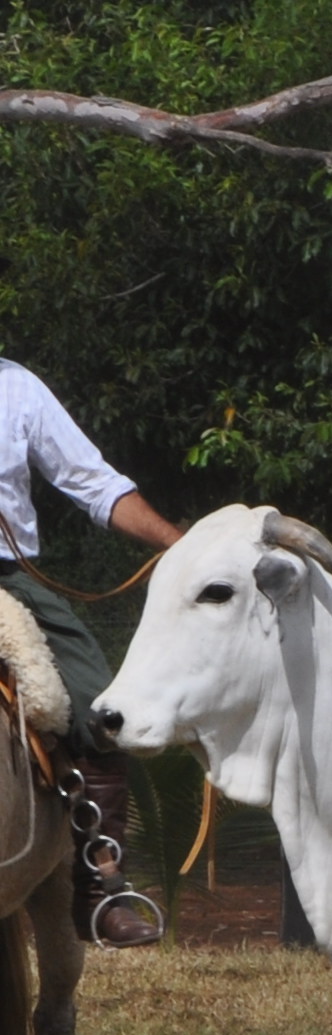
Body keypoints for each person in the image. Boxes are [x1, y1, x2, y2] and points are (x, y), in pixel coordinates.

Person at [0, 359, 184, 947]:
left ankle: (99, 886)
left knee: (95, 704)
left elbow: (95, 485)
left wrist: (183, 545)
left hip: (6, 579)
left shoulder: (18, 387)